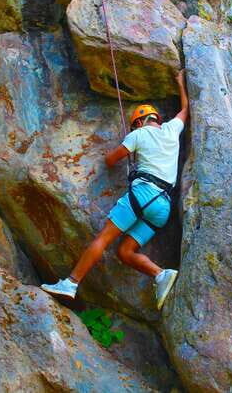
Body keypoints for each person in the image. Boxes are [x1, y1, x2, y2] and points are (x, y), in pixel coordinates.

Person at [41, 70, 189, 310]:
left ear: (139, 122)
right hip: (163, 206)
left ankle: (71, 283)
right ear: (156, 119)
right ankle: (160, 274)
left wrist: (129, 148)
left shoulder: (138, 134)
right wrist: (181, 83)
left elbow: (111, 160)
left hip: (142, 195)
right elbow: (185, 111)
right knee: (125, 251)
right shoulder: (172, 130)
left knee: (104, 238)